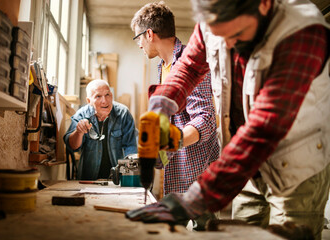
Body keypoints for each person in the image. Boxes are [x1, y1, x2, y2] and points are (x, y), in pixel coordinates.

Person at [126, 0, 330, 239]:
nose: (229, 45)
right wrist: (160, 107)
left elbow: (263, 131)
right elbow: (189, 68)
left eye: (237, 33)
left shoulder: (303, 32)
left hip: (295, 165)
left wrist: (192, 201)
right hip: (244, 165)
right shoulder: (213, 19)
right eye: (220, 36)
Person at [130, 1, 219, 195]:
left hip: (197, 170)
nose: (139, 45)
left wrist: (172, 142)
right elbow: (174, 121)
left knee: (201, 227)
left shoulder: (191, 60)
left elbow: (205, 119)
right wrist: (160, 154)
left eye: (138, 38)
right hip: (176, 170)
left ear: (149, 34)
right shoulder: (163, 66)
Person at [63, 79, 137, 180]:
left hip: (118, 179)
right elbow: (72, 146)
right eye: (98, 96)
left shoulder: (123, 113)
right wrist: (78, 132)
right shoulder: (82, 115)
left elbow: (130, 148)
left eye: (107, 95)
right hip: (89, 180)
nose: (105, 101)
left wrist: (128, 179)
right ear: (89, 101)